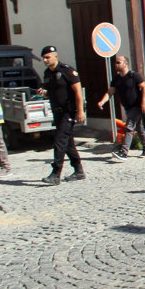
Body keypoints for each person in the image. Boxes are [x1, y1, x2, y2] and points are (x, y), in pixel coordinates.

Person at [36, 46, 85, 185]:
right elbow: (50, 93)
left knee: (59, 140)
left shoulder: (67, 70)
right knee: (68, 143)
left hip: (68, 111)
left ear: (55, 57)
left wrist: (80, 111)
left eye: (48, 57)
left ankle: (56, 173)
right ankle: (79, 170)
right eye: (44, 58)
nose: (45, 60)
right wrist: (43, 93)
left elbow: (78, 92)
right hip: (57, 111)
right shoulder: (47, 74)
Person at [98, 55, 145, 160]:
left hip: (136, 106)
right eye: (115, 63)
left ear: (125, 63)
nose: (116, 64)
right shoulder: (116, 79)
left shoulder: (134, 76)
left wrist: (143, 103)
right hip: (127, 108)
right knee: (139, 128)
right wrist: (102, 101)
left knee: (129, 127)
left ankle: (124, 152)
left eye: (118, 62)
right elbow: (110, 92)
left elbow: (144, 87)